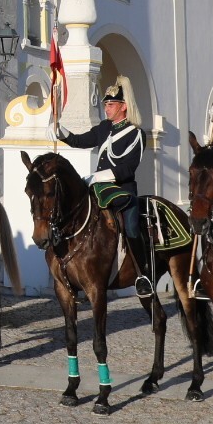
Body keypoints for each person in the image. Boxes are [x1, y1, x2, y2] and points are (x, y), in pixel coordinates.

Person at [56, 82, 154, 296]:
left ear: (124, 106)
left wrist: (99, 176)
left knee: (131, 226)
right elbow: (80, 140)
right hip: (99, 188)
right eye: (106, 105)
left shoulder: (136, 133)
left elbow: (128, 168)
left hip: (122, 189)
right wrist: (61, 132)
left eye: (111, 105)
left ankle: (142, 273)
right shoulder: (104, 128)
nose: (106, 108)